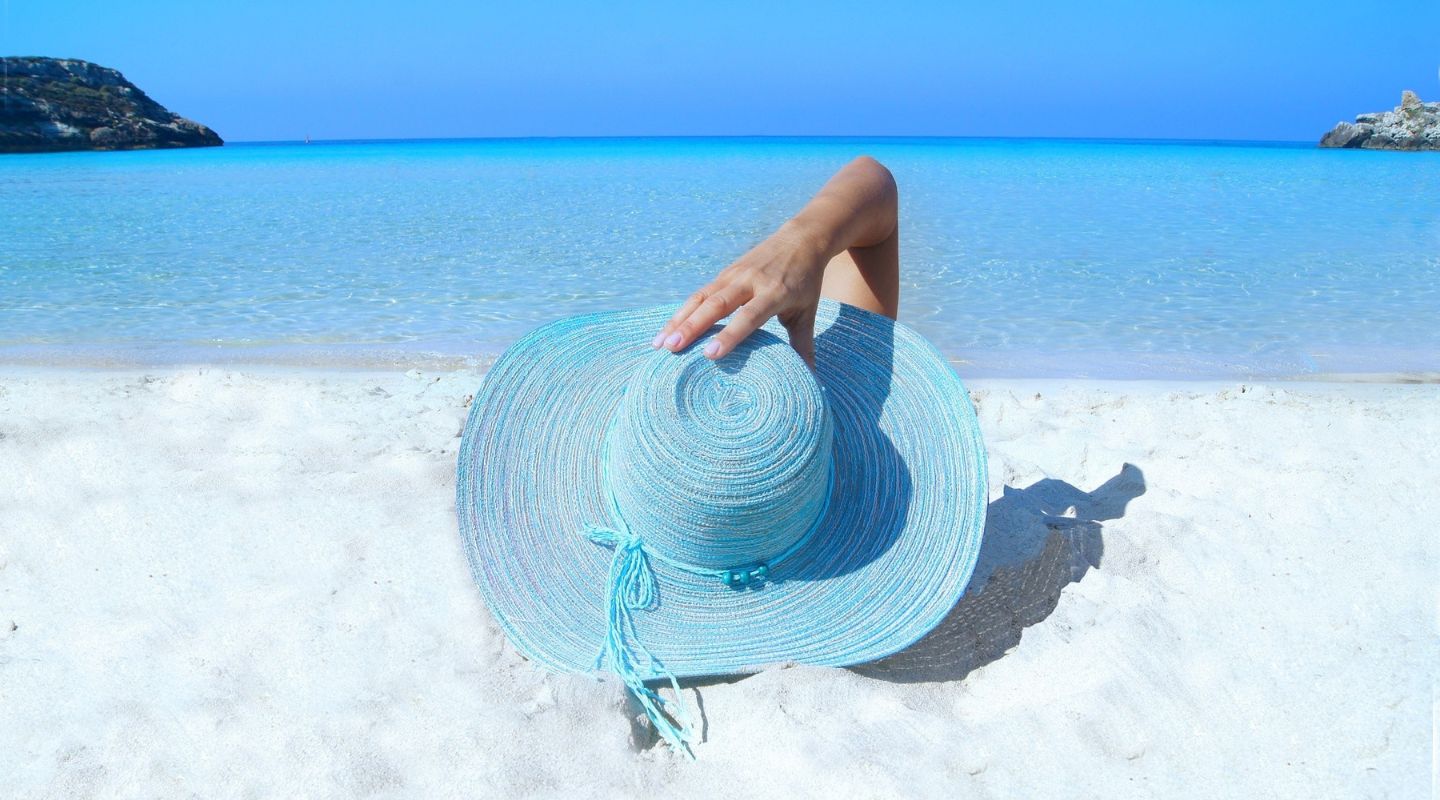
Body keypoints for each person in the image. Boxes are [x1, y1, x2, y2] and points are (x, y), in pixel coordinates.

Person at [649, 156, 900, 366]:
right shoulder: (850, 375)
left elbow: (872, 176)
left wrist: (798, 241)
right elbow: (874, 178)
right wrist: (802, 243)